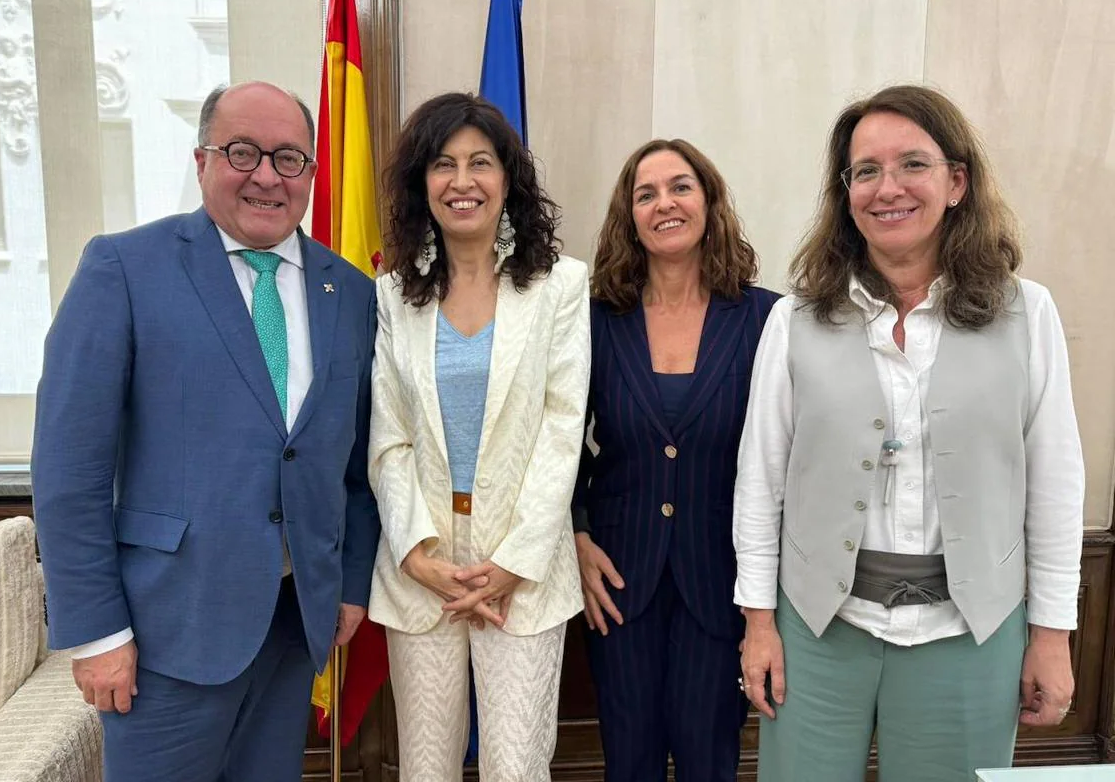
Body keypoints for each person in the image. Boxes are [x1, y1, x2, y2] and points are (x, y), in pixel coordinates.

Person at [734, 84, 1084, 782]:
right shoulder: (797, 319)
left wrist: (1051, 635)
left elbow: (1054, 484)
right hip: (819, 629)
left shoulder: (1029, 313)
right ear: (846, 194)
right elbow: (761, 481)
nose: (886, 188)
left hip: (971, 632)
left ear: (957, 182)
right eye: (866, 171)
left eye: (911, 165)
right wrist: (760, 625)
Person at [31, 81, 380, 782]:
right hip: (168, 635)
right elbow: (69, 469)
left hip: (291, 626)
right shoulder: (124, 269)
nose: (265, 176)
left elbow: (355, 462)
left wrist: (346, 582)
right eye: (242, 151)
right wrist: (97, 631)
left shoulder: (350, 292)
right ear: (201, 160)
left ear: (311, 174)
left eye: (289, 159)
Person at [367, 92, 589, 782]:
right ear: (422, 185)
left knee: (515, 768)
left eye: (480, 163)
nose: (462, 181)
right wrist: (418, 555)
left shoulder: (560, 286)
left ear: (507, 179)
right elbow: (389, 438)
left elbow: (562, 429)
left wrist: (514, 562)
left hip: (522, 571)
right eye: (443, 164)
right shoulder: (394, 292)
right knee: (425, 769)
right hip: (422, 569)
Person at [571, 138, 778, 781]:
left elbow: (783, 455)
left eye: (680, 187)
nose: (665, 203)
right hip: (617, 578)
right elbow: (554, 438)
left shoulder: (766, 318)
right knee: (627, 763)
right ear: (628, 215)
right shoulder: (593, 319)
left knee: (708, 760)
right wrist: (573, 533)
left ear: (709, 202)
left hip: (721, 580)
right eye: (646, 193)